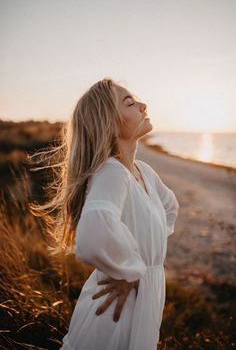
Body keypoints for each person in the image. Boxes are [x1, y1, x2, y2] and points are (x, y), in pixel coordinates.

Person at [30, 77, 179, 350]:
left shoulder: (144, 172)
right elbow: (93, 230)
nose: (143, 106)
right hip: (116, 308)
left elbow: (169, 207)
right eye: (130, 103)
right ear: (109, 123)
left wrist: (147, 247)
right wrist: (129, 271)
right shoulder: (111, 173)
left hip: (144, 296)